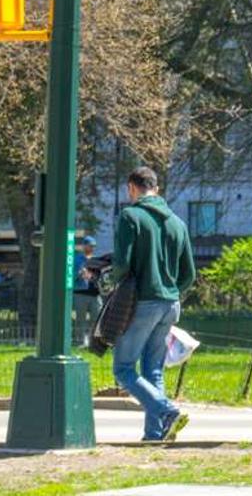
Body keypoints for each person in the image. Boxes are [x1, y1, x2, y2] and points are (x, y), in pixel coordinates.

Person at [109, 166, 197, 443]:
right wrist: (171, 291)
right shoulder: (177, 223)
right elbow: (189, 274)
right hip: (170, 303)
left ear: (131, 188)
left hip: (141, 302)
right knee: (153, 369)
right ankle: (154, 433)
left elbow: (122, 263)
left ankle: (167, 410)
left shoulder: (130, 216)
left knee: (123, 369)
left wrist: (114, 280)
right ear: (156, 189)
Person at [70, 235, 102, 344]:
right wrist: (79, 273)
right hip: (81, 293)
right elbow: (70, 275)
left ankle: (93, 341)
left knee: (97, 318)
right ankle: (81, 341)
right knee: (80, 319)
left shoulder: (96, 259)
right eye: (90, 246)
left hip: (95, 294)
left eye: (93, 246)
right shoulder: (76, 259)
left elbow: (101, 275)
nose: (92, 248)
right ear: (84, 246)